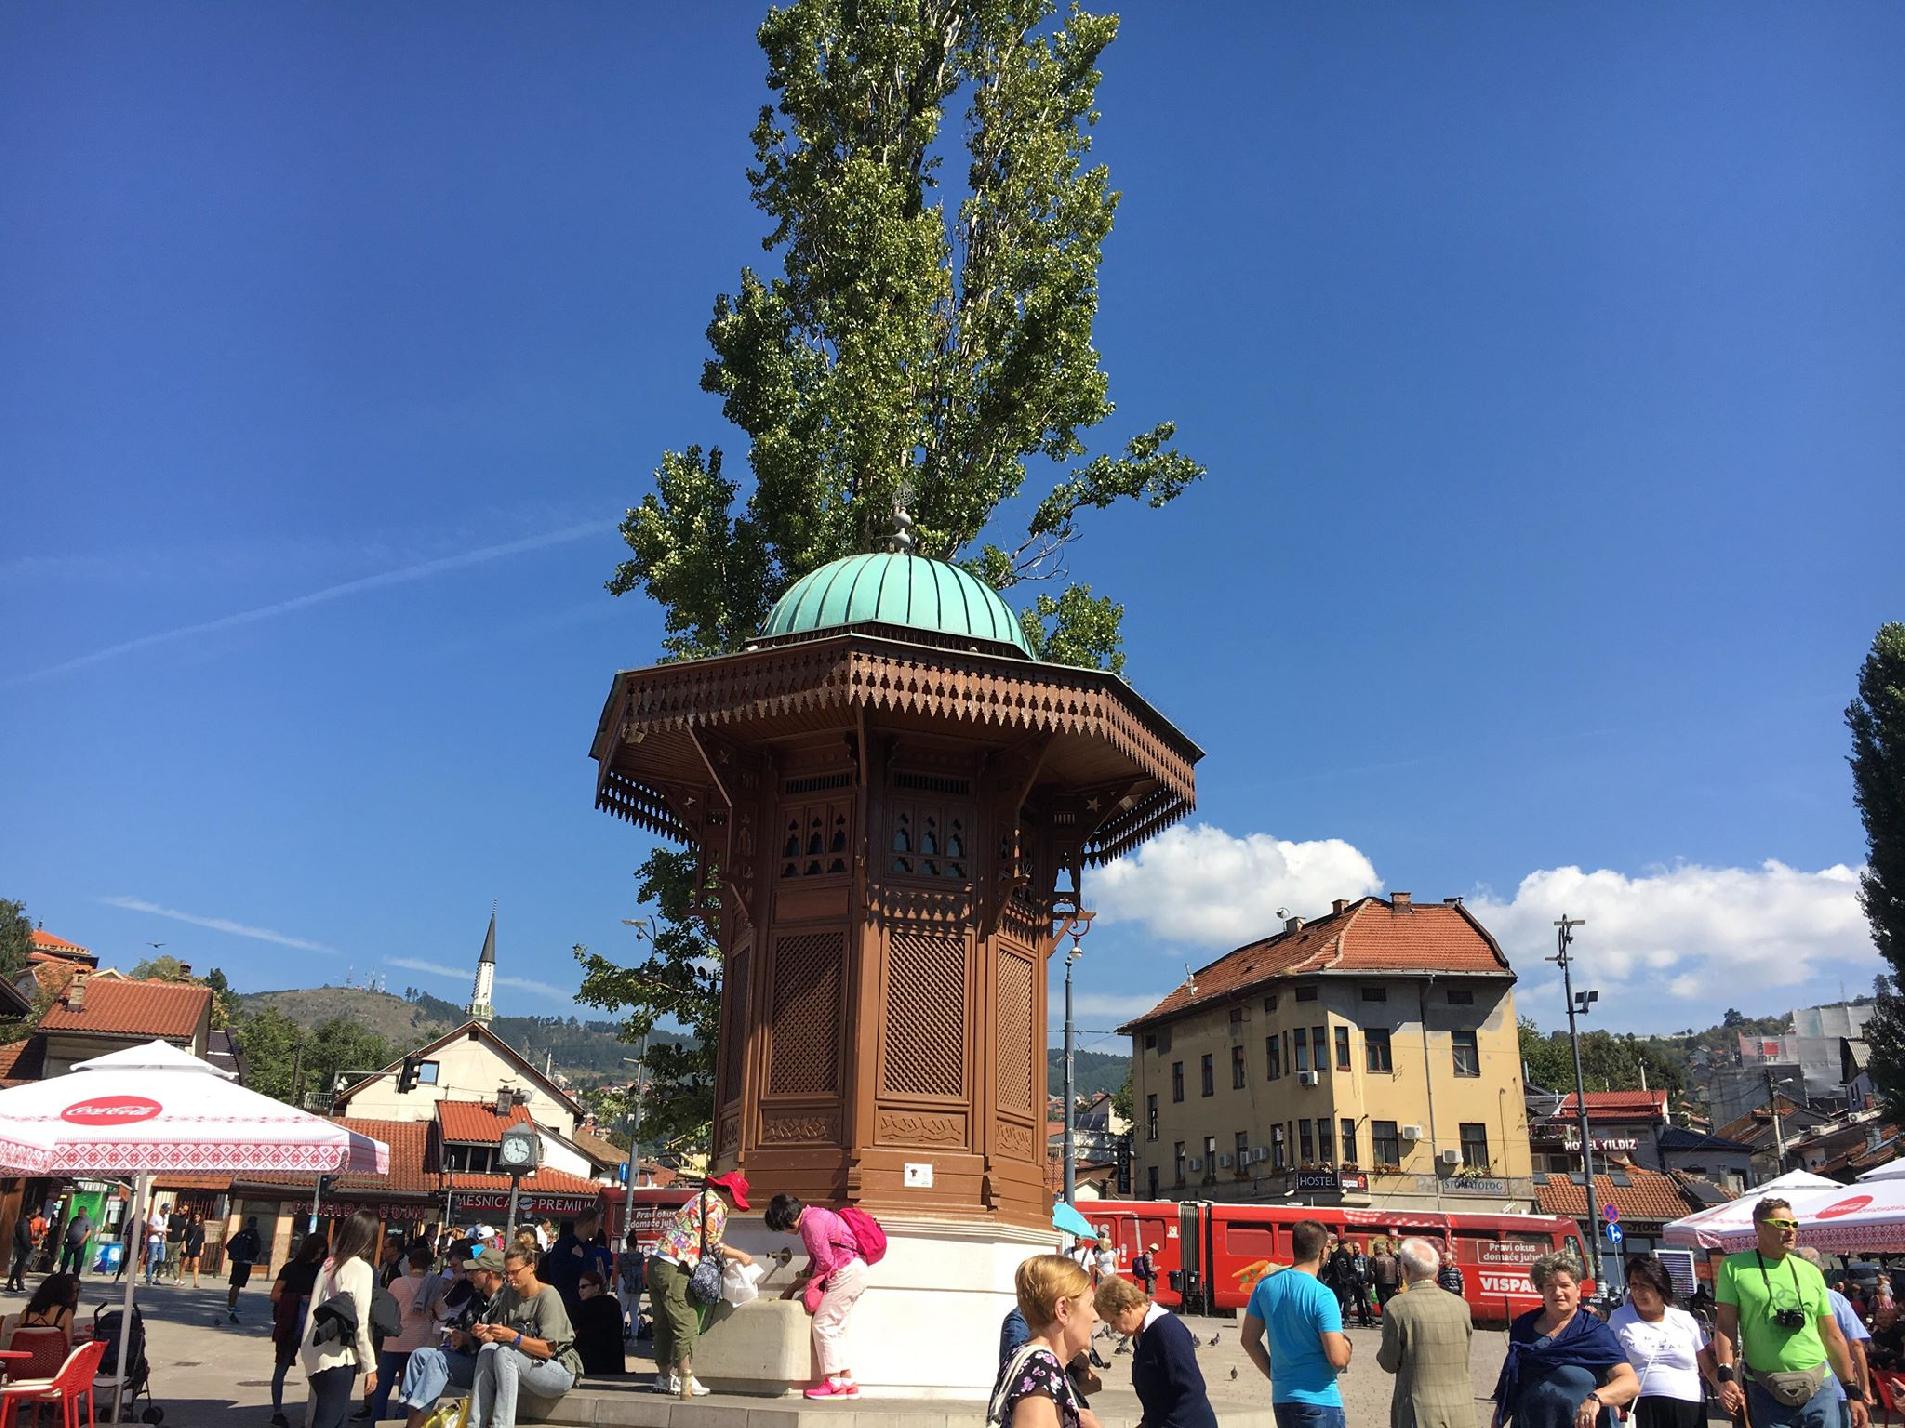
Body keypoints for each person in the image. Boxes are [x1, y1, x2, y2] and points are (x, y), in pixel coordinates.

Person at [1712, 1198, 1868, 1428]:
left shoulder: (1810, 1272)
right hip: (1766, 1387)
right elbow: (1725, 1326)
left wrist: (1852, 1390)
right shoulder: (1734, 1267)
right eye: (1781, 1224)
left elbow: (1832, 1334)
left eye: (1794, 1224)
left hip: (1819, 1385)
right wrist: (1725, 1375)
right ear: (1758, 1227)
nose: (1790, 1231)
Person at [1490, 1251, 1639, 1428]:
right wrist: (1497, 1421)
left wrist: (1597, 1398)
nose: (1558, 1292)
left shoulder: (1593, 1331)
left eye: (1564, 1285)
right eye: (1550, 1286)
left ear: (1578, 1289)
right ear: (1540, 1290)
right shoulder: (1524, 1327)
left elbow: (1629, 1382)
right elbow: (1511, 1382)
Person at [646, 1172, 755, 1399]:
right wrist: (741, 1255)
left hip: (657, 1261)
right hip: (677, 1265)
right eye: (735, 1201)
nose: (734, 1206)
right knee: (686, 1321)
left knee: (662, 1323)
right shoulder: (717, 1205)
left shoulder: (699, 1198)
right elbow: (713, 1244)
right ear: (728, 1192)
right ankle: (685, 1377)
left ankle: (664, 1377)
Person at [1241, 1218, 1352, 1428]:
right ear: (1322, 1252)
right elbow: (1338, 1359)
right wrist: (1347, 1348)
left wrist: (1274, 1375)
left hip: (1283, 1399)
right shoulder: (1322, 1295)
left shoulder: (1265, 1286)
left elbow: (1248, 1340)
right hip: (1320, 1400)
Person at [765, 1192, 869, 1401]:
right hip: (855, 1269)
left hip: (844, 1272)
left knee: (824, 1325)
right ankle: (847, 1381)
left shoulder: (811, 1224)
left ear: (785, 1220)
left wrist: (809, 1284)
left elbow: (825, 1262)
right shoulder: (816, 1215)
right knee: (837, 1327)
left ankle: (833, 1383)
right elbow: (819, 1260)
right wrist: (795, 1286)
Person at [466, 1247, 581, 1428]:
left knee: (506, 1352)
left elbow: (548, 1350)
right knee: (488, 1350)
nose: (510, 1278)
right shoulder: (509, 1294)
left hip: (559, 1368)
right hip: (523, 1364)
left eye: (515, 1272)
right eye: (507, 1273)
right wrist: (487, 1332)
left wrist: (514, 1337)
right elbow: (497, 1339)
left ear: (531, 1267)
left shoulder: (548, 1295)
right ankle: (474, 1424)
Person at [392, 1247, 506, 1428]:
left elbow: (501, 1340)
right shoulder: (477, 1298)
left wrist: (469, 1339)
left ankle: (413, 1425)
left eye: (475, 1271)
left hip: (486, 1365)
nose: (470, 1275)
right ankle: (410, 1414)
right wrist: (456, 1334)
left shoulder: (506, 1301)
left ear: (490, 1274)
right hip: (466, 1356)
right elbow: (457, 1323)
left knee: (438, 1360)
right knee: (419, 1355)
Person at [985, 1254, 1103, 1428]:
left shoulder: (1032, 1362)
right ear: (1063, 1310)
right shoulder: (1040, 1369)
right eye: (1090, 1304)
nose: (1096, 1316)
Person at [1094, 1269, 1216, 1428]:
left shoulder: (1166, 1331)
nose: (1114, 1329)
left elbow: (1190, 1391)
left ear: (1127, 1308)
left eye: (1113, 1322)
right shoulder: (1141, 1334)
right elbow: (1159, 1397)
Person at [1607, 1252, 1715, 1428]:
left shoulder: (1684, 1320)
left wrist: (1726, 1390)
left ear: (1660, 1287)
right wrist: (1613, 1403)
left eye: (1644, 1285)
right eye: (1633, 1285)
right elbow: (1606, 1366)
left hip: (1688, 1405)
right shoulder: (1618, 1319)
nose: (1638, 1291)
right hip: (1641, 1404)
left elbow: (1708, 1368)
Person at [1377, 1237, 1475, 1428]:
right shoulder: (1461, 1306)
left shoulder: (1397, 1307)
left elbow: (1389, 1363)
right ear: (1436, 1270)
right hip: (1462, 1409)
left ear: (1405, 1269)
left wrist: (1380, 1355)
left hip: (1419, 1411)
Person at [302, 1211, 382, 1428]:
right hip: (339, 1356)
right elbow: (361, 1323)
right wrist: (370, 1366)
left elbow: (314, 1306)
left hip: (315, 1353)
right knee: (330, 1420)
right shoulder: (361, 1269)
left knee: (333, 1418)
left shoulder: (329, 1264)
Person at [1799, 1247, 1875, 1428]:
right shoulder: (1836, 1299)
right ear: (1821, 1270)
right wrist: (1864, 1388)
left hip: (1797, 1385)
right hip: (1838, 1385)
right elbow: (1856, 1344)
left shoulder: (1783, 1298)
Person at [361, 1243, 436, 1421]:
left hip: (394, 1341)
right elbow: (443, 1312)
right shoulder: (432, 1287)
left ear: (410, 1264)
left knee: (382, 1387)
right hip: (418, 1343)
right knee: (408, 1387)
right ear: (428, 1266)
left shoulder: (396, 1283)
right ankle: (402, 1419)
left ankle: (376, 1419)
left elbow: (387, 1307)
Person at [270, 1234, 330, 1428]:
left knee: (317, 1370)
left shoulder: (321, 1270)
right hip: (291, 1324)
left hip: (310, 1325)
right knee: (281, 1368)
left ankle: (314, 1414)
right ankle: (277, 1411)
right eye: (317, 1251)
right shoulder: (290, 1268)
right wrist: (300, 1299)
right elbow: (274, 1294)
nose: (318, 1255)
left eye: (322, 1252)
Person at [541, 1211, 596, 1317]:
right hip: (567, 1306)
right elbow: (558, 1277)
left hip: (586, 1305)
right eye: (597, 1223)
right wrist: (575, 1260)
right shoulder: (563, 1246)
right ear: (590, 1223)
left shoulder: (589, 1248)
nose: (598, 1227)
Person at [572, 1270, 625, 1377]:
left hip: (588, 1364)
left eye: (584, 1287)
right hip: (614, 1366)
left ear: (596, 1287)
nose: (580, 1291)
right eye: (579, 1287)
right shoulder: (614, 1304)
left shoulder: (583, 1308)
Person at [19, 1272, 79, 1340]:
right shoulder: (65, 1313)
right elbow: (67, 1342)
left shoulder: (26, 1313)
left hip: (26, 1346)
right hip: (53, 1346)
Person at [228, 1215, 263, 1323]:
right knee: (237, 1284)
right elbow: (256, 1248)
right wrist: (252, 1256)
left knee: (235, 1283)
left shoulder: (241, 1233)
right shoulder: (254, 1234)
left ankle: (231, 1304)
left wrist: (235, 1255)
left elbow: (229, 1245)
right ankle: (232, 1305)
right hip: (245, 1262)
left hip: (237, 1261)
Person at [614, 1229, 644, 1340]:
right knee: (634, 1312)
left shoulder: (622, 1257)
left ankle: (620, 1336)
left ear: (627, 1244)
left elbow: (618, 1270)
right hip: (636, 1285)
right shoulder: (641, 1257)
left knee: (621, 1310)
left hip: (624, 1283)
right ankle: (634, 1338)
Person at [57, 1207, 90, 1277]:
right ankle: (62, 1272)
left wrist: (82, 1242)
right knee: (66, 1258)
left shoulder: (88, 1220)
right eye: (79, 1211)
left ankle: (75, 1275)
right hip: (70, 1242)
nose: (80, 1212)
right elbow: (68, 1229)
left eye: (82, 1211)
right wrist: (65, 1239)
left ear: (85, 1212)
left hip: (80, 1243)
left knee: (78, 1260)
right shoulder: (74, 1219)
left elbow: (89, 1231)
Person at [144, 1201, 170, 1286]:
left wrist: (165, 1233)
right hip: (154, 1240)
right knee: (151, 1259)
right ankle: (148, 1278)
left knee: (161, 1259)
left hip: (161, 1241)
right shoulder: (155, 1217)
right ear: (162, 1209)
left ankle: (150, 1272)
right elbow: (149, 1228)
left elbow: (164, 1228)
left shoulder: (165, 1219)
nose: (167, 1212)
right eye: (166, 1210)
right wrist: (159, 1230)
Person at [1372, 1239, 1402, 1309]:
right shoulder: (1393, 1259)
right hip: (1392, 1283)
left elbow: (1372, 1273)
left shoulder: (1375, 1258)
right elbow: (1398, 1273)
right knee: (1391, 1303)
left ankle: (1385, 1315)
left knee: (1383, 1302)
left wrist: (1370, 1283)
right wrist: (1398, 1285)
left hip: (1380, 1283)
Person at [8, 1211, 33, 1293]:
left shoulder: (22, 1221)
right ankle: (11, 1284)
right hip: (22, 1248)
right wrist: (29, 1246)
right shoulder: (24, 1223)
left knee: (19, 1266)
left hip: (20, 1247)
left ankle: (18, 1284)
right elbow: (25, 1237)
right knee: (18, 1266)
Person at [181, 1212, 206, 1289]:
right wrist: (184, 1246)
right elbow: (185, 1237)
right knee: (184, 1263)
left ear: (200, 1217)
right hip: (189, 1246)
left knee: (196, 1264)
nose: (196, 1218)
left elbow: (202, 1239)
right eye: (195, 1217)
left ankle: (196, 1282)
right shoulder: (190, 1225)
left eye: (198, 1217)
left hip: (197, 1247)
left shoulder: (202, 1226)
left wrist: (202, 1249)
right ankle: (180, 1280)